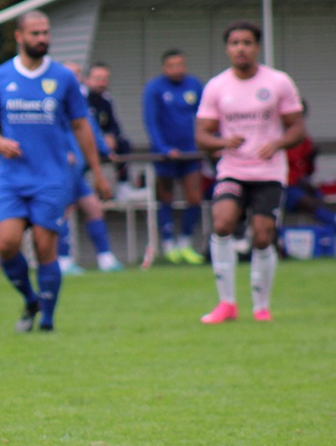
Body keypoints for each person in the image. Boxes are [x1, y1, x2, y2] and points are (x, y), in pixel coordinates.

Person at [0, 11, 112, 332]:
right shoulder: (0, 76)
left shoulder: (63, 77)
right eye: (35, 33)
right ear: (19, 36)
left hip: (51, 177)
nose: (42, 38)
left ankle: (48, 321)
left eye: (45, 32)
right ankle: (31, 300)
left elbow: (81, 126)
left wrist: (97, 172)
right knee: (6, 245)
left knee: (44, 246)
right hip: (11, 178)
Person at [195, 20, 304, 324]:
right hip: (232, 170)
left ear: (257, 47)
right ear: (227, 49)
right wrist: (222, 142)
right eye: (234, 43)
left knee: (262, 235)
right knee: (222, 223)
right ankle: (227, 304)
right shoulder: (217, 86)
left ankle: (261, 307)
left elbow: (297, 127)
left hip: (268, 173)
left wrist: (278, 143)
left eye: (246, 43)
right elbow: (201, 135)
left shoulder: (278, 82)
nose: (240, 48)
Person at [58, 61, 123, 275]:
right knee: (63, 211)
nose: (74, 78)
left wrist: (105, 150)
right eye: (70, 73)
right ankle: (62, 260)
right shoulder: (53, 100)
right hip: (61, 166)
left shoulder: (78, 100)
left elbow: (90, 128)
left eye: (78, 74)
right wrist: (62, 150)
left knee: (93, 208)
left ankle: (105, 258)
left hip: (78, 168)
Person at [143, 49, 206, 265]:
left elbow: (203, 116)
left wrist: (203, 142)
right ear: (164, 67)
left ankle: (185, 242)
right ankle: (168, 244)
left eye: (181, 64)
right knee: (166, 198)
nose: (177, 69)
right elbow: (151, 121)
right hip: (165, 155)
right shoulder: (154, 88)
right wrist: (163, 148)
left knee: (194, 198)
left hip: (190, 153)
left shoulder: (194, 85)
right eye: (172, 65)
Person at [285, 100, 336, 232]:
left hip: (298, 185)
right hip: (282, 188)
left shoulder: (304, 140)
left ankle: (327, 234)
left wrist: (311, 158)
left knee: (320, 197)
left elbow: (307, 172)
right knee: (307, 202)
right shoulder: (278, 138)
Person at [85, 61, 132, 185]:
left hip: (105, 141)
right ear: (88, 80)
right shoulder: (82, 98)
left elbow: (114, 124)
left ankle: (123, 184)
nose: (102, 83)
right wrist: (101, 139)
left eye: (105, 79)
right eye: (98, 79)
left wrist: (111, 136)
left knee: (124, 143)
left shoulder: (107, 99)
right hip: (88, 140)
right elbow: (83, 126)